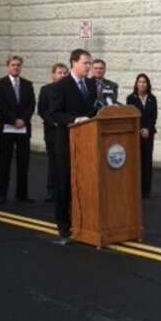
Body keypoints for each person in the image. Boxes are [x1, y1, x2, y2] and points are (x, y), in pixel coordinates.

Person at [49, 49, 97, 244]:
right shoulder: (61, 86)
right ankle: (63, 225)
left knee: (85, 183)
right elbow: (54, 114)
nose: (88, 66)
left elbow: (92, 109)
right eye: (85, 63)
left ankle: (83, 221)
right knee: (64, 183)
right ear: (74, 63)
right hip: (67, 141)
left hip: (88, 143)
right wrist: (76, 119)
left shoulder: (91, 84)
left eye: (89, 63)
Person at [0, 55, 36, 204]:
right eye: (13, 65)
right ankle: (2, 194)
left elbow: (31, 104)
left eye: (18, 65)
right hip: (7, 127)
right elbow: (0, 105)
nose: (16, 67)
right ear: (8, 67)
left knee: (23, 163)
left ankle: (22, 194)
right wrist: (14, 120)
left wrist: (23, 120)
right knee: (5, 162)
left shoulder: (27, 84)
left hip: (23, 128)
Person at [37, 62, 69, 201]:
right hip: (52, 131)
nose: (62, 75)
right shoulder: (46, 90)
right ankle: (52, 191)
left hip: (68, 130)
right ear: (53, 74)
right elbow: (42, 110)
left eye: (64, 73)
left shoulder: (70, 89)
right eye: (59, 72)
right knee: (54, 161)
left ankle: (66, 190)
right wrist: (54, 122)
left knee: (67, 162)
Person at [126, 73, 158, 197]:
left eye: (144, 82)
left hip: (148, 134)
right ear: (136, 84)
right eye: (140, 82)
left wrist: (147, 129)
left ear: (148, 84)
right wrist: (140, 129)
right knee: (136, 161)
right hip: (136, 133)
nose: (142, 84)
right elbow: (131, 115)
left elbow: (154, 116)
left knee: (147, 161)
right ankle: (135, 189)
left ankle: (146, 190)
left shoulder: (152, 98)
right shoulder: (131, 98)